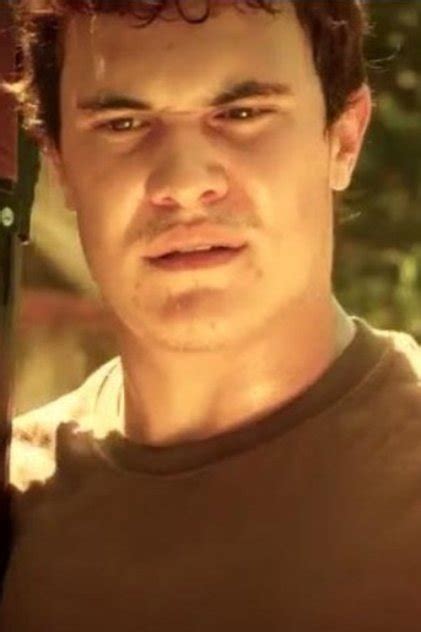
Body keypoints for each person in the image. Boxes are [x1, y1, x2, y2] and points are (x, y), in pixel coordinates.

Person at [2, 0, 421, 629]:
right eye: (122, 123)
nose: (182, 182)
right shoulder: (16, 503)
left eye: (242, 113)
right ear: (59, 164)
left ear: (344, 138)